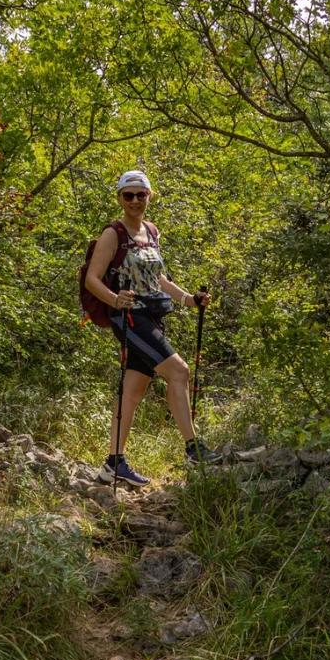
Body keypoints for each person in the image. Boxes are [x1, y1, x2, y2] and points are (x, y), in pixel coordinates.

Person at [83, 168, 220, 487]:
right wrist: (115, 299)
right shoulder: (113, 234)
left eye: (140, 194)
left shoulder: (151, 231)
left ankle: (113, 463)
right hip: (130, 318)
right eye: (128, 195)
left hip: (151, 316)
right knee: (179, 371)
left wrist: (189, 299)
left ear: (149, 196)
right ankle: (193, 449)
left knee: (133, 390)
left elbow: (157, 278)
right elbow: (92, 279)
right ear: (120, 198)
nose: (135, 200)